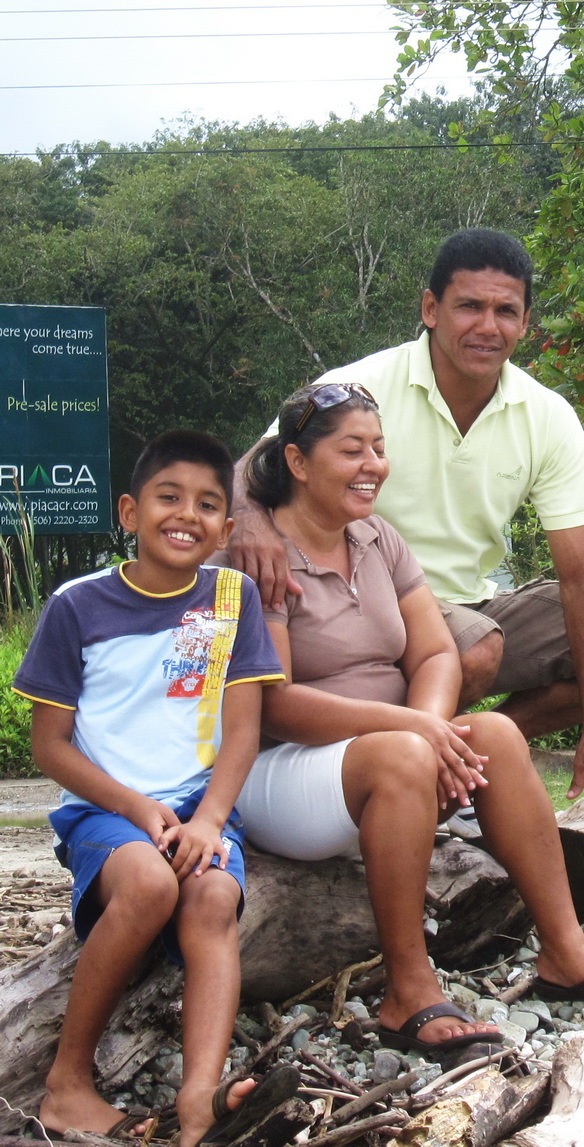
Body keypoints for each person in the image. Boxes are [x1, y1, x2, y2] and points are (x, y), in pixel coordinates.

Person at [226, 382, 584, 1055]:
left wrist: (430, 724)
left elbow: (433, 649)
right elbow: (274, 702)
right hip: (278, 771)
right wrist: (406, 732)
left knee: (494, 732)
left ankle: (564, 952)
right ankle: (407, 988)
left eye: (378, 447)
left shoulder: (377, 539)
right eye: (351, 450)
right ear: (299, 463)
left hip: (383, 758)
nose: (373, 463)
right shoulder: (264, 556)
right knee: (404, 753)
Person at [228, 229, 584, 824]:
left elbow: (582, 569)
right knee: (475, 649)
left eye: (505, 310)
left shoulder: (546, 416)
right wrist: (250, 517)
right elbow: (246, 470)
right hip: (374, 608)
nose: (488, 326)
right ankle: (402, 776)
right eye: (469, 306)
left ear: (526, 322)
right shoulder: (361, 388)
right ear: (430, 309)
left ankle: (469, 762)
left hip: (477, 602)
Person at [11, 432, 293, 1147]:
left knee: (210, 895)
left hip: (201, 807)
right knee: (148, 886)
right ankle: (66, 1083)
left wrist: (211, 820)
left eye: (207, 504)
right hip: (106, 809)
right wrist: (135, 807)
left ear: (227, 529)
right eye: (169, 497)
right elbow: (50, 745)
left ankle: (200, 1099)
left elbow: (241, 732)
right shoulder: (78, 604)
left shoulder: (233, 597)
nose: (187, 515)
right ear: (131, 512)